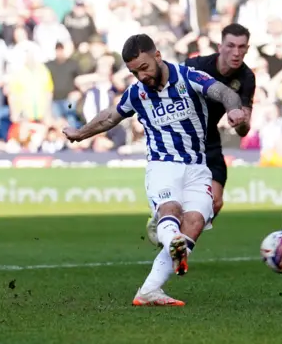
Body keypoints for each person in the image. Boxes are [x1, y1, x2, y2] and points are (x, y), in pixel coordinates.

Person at [62, 34, 245, 306]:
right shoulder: (138, 93)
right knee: (170, 210)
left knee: (193, 223)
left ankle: (149, 290)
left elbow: (224, 92)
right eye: (134, 72)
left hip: (197, 167)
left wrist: (234, 110)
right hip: (163, 164)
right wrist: (80, 133)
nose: (141, 76)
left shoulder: (189, 78)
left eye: (144, 67)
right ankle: (172, 241)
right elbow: (111, 116)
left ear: (157, 56)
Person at [144, 23, 256, 246]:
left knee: (214, 203)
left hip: (210, 142)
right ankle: (168, 228)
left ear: (247, 48)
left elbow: (244, 129)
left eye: (241, 47)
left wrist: (240, 122)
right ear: (219, 46)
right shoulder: (197, 66)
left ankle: (177, 247)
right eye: (231, 46)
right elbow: (166, 86)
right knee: (176, 200)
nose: (236, 52)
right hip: (181, 141)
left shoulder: (246, 77)